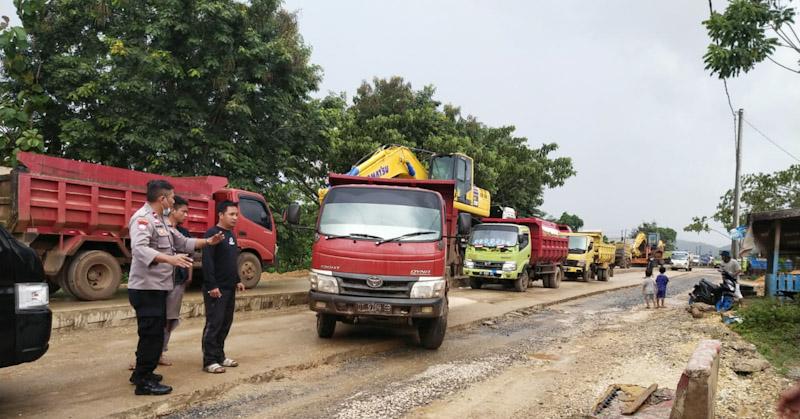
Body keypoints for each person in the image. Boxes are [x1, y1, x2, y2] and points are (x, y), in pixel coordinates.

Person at [128, 180, 224, 395]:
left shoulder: (161, 220)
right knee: (151, 334)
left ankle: (143, 373)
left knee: (154, 333)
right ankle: (143, 382)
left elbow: (182, 243)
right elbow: (140, 250)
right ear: (162, 199)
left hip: (158, 288)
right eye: (171, 197)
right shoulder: (143, 219)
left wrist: (209, 242)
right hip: (145, 288)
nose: (173, 200)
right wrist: (170, 260)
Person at [202, 201, 246, 374]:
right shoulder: (212, 234)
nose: (235, 218)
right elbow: (208, 262)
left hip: (229, 288)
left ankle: (220, 356)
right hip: (216, 289)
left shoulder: (231, 235)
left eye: (236, 214)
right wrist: (212, 285)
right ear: (221, 215)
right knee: (214, 323)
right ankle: (209, 361)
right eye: (231, 214)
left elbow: (231, 261)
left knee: (225, 323)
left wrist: (237, 280)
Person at [160, 195, 193, 367]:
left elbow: (190, 257)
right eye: (183, 212)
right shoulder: (160, 228)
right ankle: (144, 354)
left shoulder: (184, 234)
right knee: (153, 319)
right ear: (173, 210)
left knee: (170, 318)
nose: (186, 215)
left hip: (177, 281)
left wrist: (189, 275)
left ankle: (161, 351)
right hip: (159, 281)